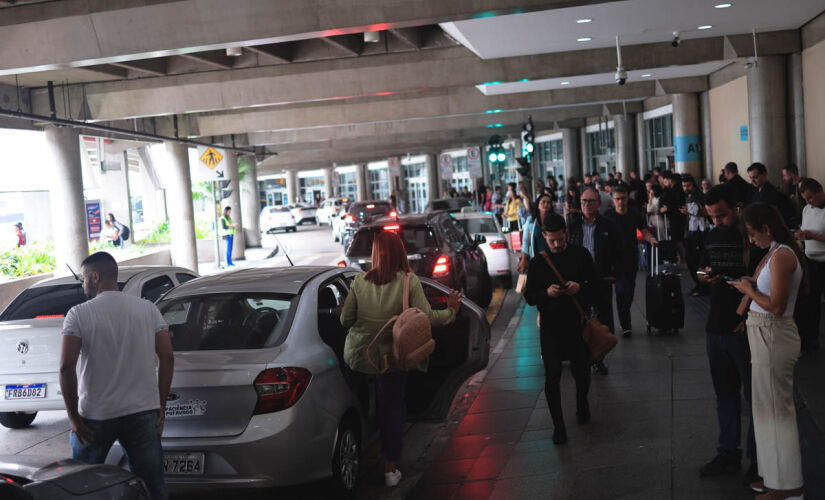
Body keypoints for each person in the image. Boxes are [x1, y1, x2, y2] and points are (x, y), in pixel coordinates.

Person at [341, 231, 461, 487]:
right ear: (399, 253)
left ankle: (358, 449)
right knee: (392, 410)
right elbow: (425, 317)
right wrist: (451, 311)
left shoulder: (360, 282)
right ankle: (390, 469)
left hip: (359, 357)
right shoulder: (409, 281)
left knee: (356, 406)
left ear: (374, 254)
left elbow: (345, 321)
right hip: (392, 359)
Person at [59, 252, 173, 500]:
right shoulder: (148, 309)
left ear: (95, 277)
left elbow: (66, 367)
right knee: (153, 485)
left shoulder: (78, 314)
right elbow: (167, 357)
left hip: (95, 417)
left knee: (79, 486)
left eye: (83, 278)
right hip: (143, 412)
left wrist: (74, 418)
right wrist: (161, 405)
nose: (82, 284)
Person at [730, 203, 807, 499]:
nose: (751, 240)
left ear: (766, 228)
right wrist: (750, 285)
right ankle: (774, 477)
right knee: (765, 411)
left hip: (774, 336)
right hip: (765, 335)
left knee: (777, 412)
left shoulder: (783, 255)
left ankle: (789, 486)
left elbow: (775, 306)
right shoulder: (775, 252)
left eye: (752, 234)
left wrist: (749, 291)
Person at [696, 184, 763, 486]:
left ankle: (758, 459)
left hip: (743, 327)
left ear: (736, 208)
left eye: (721, 215)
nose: (716, 222)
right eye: (711, 216)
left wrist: (748, 317)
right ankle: (728, 453)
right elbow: (700, 269)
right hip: (716, 325)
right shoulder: (712, 235)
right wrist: (705, 276)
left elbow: (762, 283)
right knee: (724, 395)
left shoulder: (752, 238)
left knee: (754, 397)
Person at [524, 213, 595, 445]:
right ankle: (559, 427)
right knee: (552, 376)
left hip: (576, 325)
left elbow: (597, 285)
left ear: (565, 233)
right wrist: (547, 293)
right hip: (551, 329)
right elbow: (530, 297)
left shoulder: (580, 255)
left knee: (582, 373)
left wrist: (580, 288)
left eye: (560, 239)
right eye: (552, 240)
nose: (556, 244)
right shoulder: (538, 263)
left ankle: (582, 402)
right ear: (544, 236)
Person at [566, 187, 622, 375]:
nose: (587, 205)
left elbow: (617, 251)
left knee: (604, 323)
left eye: (591, 201)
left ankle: (598, 357)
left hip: (601, 279)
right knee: (579, 320)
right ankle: (583, 357)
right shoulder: (572, 225)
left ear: (598, 203)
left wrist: (614, 272)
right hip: (578, 280)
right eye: (583, 201)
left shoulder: (608, 225)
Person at [604, 186, 657, 337]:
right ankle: (626, 325)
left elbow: (644, 230)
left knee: (630, 290)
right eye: (617, 199)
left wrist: (651, 238)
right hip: (615, 260)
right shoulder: (608, 215)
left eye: (623, 198)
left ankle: (624, 312)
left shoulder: (634, 214)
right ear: (613, 200)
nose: (620, 202)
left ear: (627, 198)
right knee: (621, 291)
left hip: (631, 258)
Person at [793, 177, 825, 354]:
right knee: (809, 303)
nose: (808, 202)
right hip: (810, 261)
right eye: (805, 198)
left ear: (820, 190)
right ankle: (809, 340)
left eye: (810, 197)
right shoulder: (806, 209)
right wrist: (801, 235)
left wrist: (814, 236)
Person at [680, 175, 709, 296]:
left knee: (697, 261)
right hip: (690, 234)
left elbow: (706, 211)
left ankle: (703, 286)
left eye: (688, 186)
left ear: (693, 185)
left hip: (699, 235)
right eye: (684, 186)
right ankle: (698, 285)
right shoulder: (688, 197)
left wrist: (689, 212)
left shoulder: (699, 196)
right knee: (691, 261)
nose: (686, 188)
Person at [518, 193, 555, 273]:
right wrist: (524, 259)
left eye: (548, 203)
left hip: (552, 259)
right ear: (538, 205)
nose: (546, 204)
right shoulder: (531, 221)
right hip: (536, 258)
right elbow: (525, 240)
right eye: (543, 202)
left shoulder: (554, 220)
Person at [782, 164, 804, 228]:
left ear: (792, 174)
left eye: (784, 175)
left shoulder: (802, 185)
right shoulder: (791, 186)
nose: (783, 178)